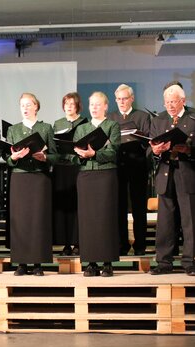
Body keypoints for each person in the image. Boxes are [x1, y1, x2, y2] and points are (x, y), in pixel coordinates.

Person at [6, 92, 58, 276]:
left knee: (38, 219)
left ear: (36, 106)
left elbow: (55, 155)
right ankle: (21, 263)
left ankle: (38, 263)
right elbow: (8, 158)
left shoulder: (45, 128)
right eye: (22, 105)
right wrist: (13, 157)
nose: (26, 108)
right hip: (20, 178)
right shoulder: (13, 130)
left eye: (29, 104)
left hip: (39, 178)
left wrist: (44, 157)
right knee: (20, 220)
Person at [149, 84, 195, 276]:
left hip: (187, 173)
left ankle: (190, 262)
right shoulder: (159, 119)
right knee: (166, 221)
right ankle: (164, 262)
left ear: (183, 101)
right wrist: (154, 151)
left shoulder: (194, 118)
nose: (170, 106)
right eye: (167, 102)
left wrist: (189, 150)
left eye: (174, 102)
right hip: (166, 173)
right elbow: (149, 148)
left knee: (190, 220)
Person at [72, 92, 121, 277]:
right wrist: (79, 155)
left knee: (105, 218)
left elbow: (113, 151)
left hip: (106, 175)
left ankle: (107, 262)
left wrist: (94, 154)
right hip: (86, 176)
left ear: (106, 106)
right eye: (91, 104)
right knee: (88, 219)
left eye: (98, 104)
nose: (94, 107)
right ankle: (91, 262)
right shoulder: (81, 128)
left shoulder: (112, 125)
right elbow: (73, 153)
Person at [108, 84, 151, 256]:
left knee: (139, 207)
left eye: (124, 98)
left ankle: (140, 245)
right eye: (118, 99)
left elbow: (149, 139)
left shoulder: (142, 116)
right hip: (118, 166)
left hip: (138, 166)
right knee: (119, 206)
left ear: (131, 98)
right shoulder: (110, 117)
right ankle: (121, 244)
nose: (121, 102)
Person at [52, 92, 85, 256]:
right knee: (64, 205)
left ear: (77, 105)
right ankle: (65, 243)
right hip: (61, 167)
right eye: (66, 104)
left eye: (72, 104)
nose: (69, 107)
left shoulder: (84, 123)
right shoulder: (58, 124)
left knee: (77, 205)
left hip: (77, 166)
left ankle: (78, 242)